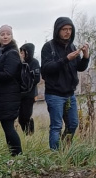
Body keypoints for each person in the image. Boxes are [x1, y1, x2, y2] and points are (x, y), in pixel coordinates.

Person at [40, 17, 90, 150]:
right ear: (58, 30)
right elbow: (46, 69)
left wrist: (85, 56)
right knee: (56, 126)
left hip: (69, 93)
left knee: (73, 124)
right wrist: (66, 59)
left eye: (70, 29)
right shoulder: (48, 47)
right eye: (64, 29)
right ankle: (55, 155)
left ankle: (64, 149)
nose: (67, 32)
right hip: (54, 93)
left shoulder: (72, 46)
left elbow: (80, 67)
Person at [0, 25, 23, 156]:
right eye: (2, 34)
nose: (5, 36)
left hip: (10, 96)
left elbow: (8, 74)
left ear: (12, 36)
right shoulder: (1, 52)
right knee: (6, 127)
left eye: (8, 34)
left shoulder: (12, 53)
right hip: (3, 96)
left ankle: (18, 156)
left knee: (8, 128)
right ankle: (13, 155)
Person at [18, 43, 41, 135]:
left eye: (23, 52)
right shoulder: (19, 62)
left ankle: (30, 133)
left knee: (26, 116)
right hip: (19, 93)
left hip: (29, 94)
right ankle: (26, 134)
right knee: (20, 118)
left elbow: (36, 78)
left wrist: (26, 82)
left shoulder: (34, 62)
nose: (21, 54)